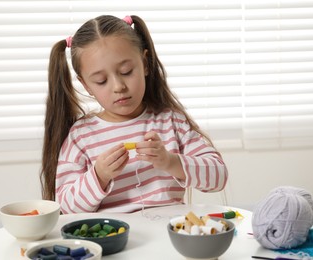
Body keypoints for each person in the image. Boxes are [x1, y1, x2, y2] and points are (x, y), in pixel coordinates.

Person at [40, 15, 228, 213]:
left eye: (127, 71)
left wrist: (170, 161)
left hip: (168, 236)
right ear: (86, 85)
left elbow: (219, 176)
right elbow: (66, 209)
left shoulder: (171, 121)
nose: (119, 86)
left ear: (145, 64)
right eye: (101, 81)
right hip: (112, 241)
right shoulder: (80, 136)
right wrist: (99, 176)